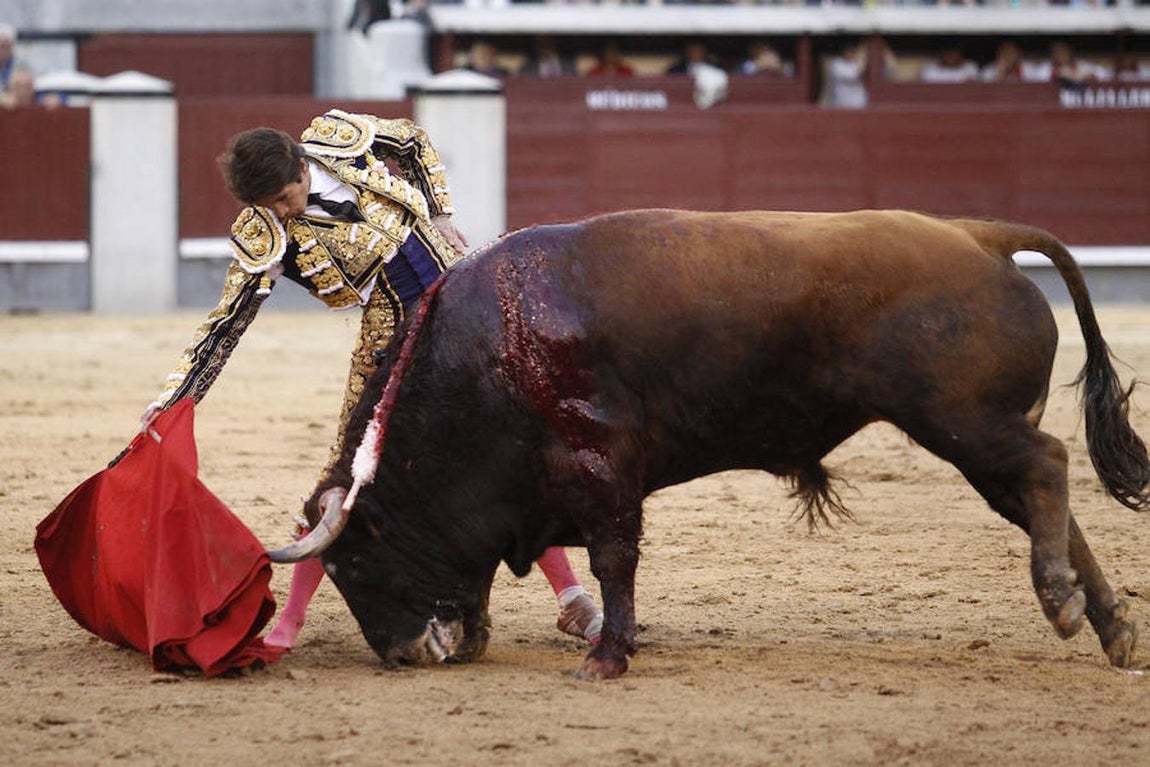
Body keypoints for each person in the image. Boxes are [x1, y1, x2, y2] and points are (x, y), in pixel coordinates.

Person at [141, 109, 603, 649]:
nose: (284, 212)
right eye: (270, 206)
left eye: (286, 197)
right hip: (393, 342)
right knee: (347, 476)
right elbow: (227, 322)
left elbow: (411, 141)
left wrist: (440, 213)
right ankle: (291, 621)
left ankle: (572, 599)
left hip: (465, 310)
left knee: (509, 453)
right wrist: (176, 397)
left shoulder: (339, 140)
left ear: (301, 166)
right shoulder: (266, 234)